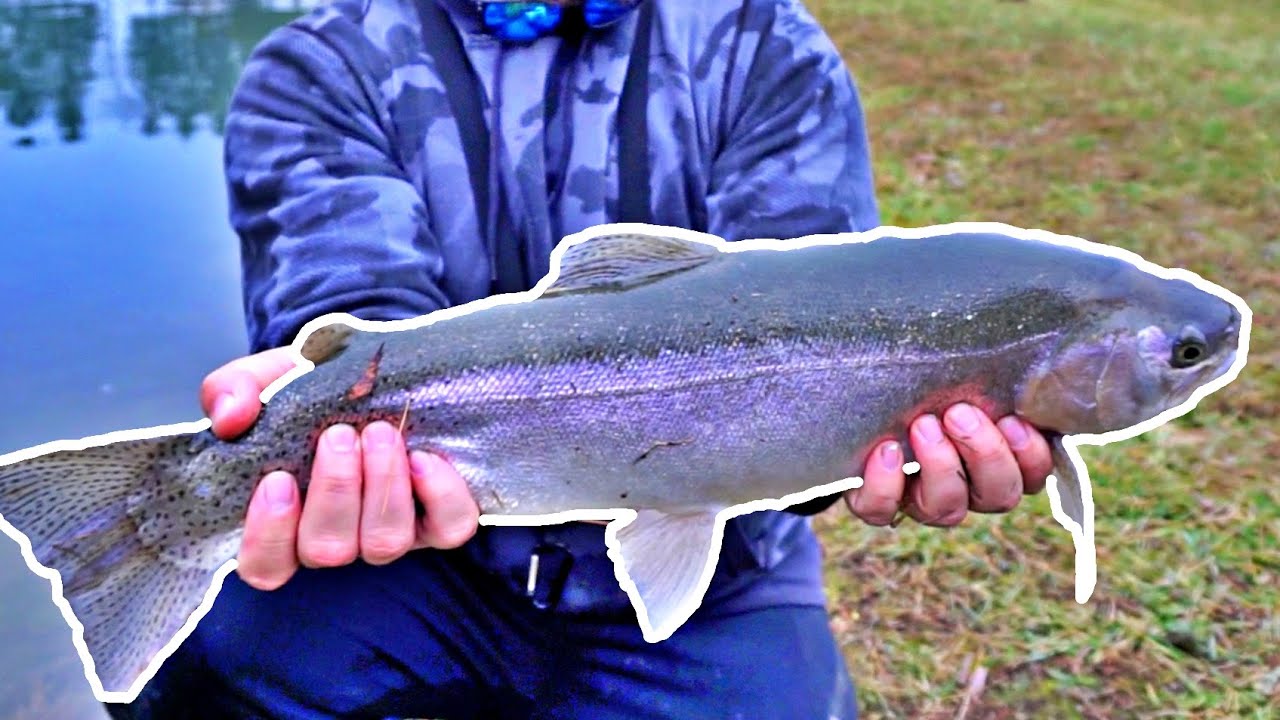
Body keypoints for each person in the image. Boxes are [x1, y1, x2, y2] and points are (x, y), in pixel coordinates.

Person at [109, 0, 1053, 717]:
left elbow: (822, 331)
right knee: (205, 678)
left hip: (722, 573)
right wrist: (317, 405)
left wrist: (882, 438)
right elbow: (348, 308)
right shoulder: (324, 61)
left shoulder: (764, 45)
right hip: (409, 560)